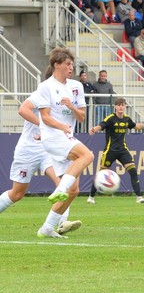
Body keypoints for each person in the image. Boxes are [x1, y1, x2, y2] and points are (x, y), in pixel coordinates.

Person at [0, 92, 82, 237]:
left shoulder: (64, 99)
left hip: (49, 150)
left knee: (64, 185)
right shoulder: (42, 93)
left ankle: (60, 223)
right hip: (29, 149)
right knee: (17, 193)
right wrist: (45, 125)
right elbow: (22, 110)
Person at [36, 47, 94, 238]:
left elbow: (82, 117)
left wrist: (71, 106)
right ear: (56, 65)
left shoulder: (77, 86)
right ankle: (59, 188)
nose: (71, 68)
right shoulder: (45, 86)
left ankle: (46, 228)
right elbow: (44, 117)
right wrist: (61, 126)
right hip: (52, 135)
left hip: (66, 135)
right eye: (68, 64)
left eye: (72, 64)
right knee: (87, 155)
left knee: (74, 190)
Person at [87, 97, 144, 204]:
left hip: (123, 151)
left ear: (125, 106)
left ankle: (139, 198)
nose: (121, 107)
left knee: (133, 171)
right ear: (115, 107)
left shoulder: (127, 119)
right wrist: (94, 129)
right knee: (100, 174)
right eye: (119, 105)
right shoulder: (110, 118)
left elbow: (137, 127)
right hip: (110, 151)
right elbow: (101, 126)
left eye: (123, 105)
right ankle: (91, 197)